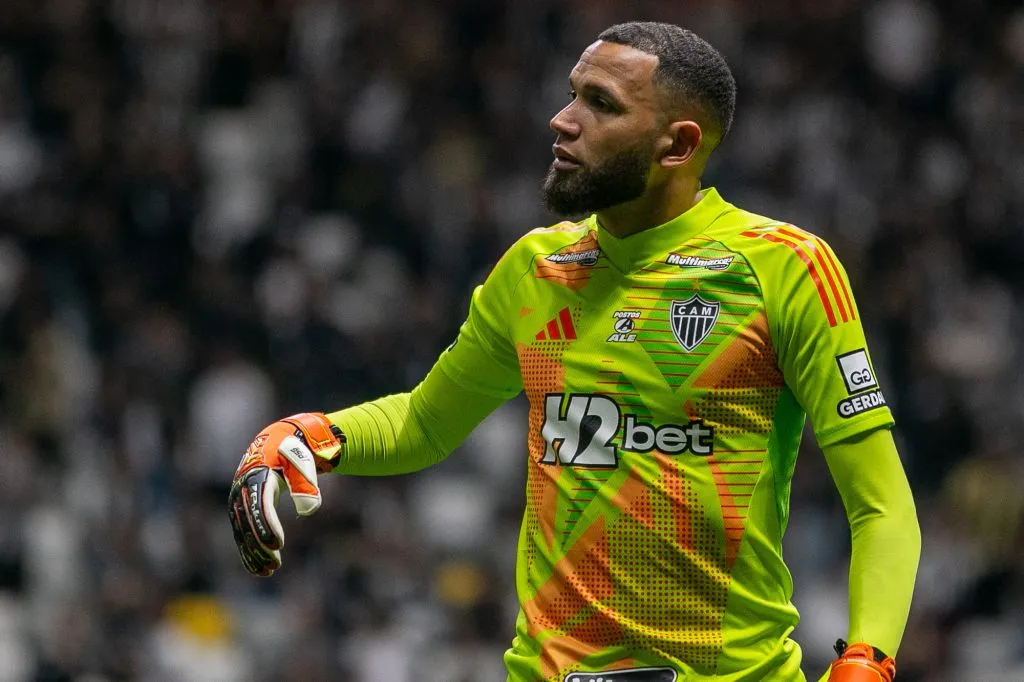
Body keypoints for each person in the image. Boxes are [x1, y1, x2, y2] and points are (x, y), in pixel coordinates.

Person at [228, 21, 920, 682]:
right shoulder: (535, 269)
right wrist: (309, 435)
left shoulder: (783, 269)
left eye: (601, 104)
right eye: (571, 94)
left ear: (676, 146)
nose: (563, 120)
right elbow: (424, 423)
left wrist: (867, 658)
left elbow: (881, 506)